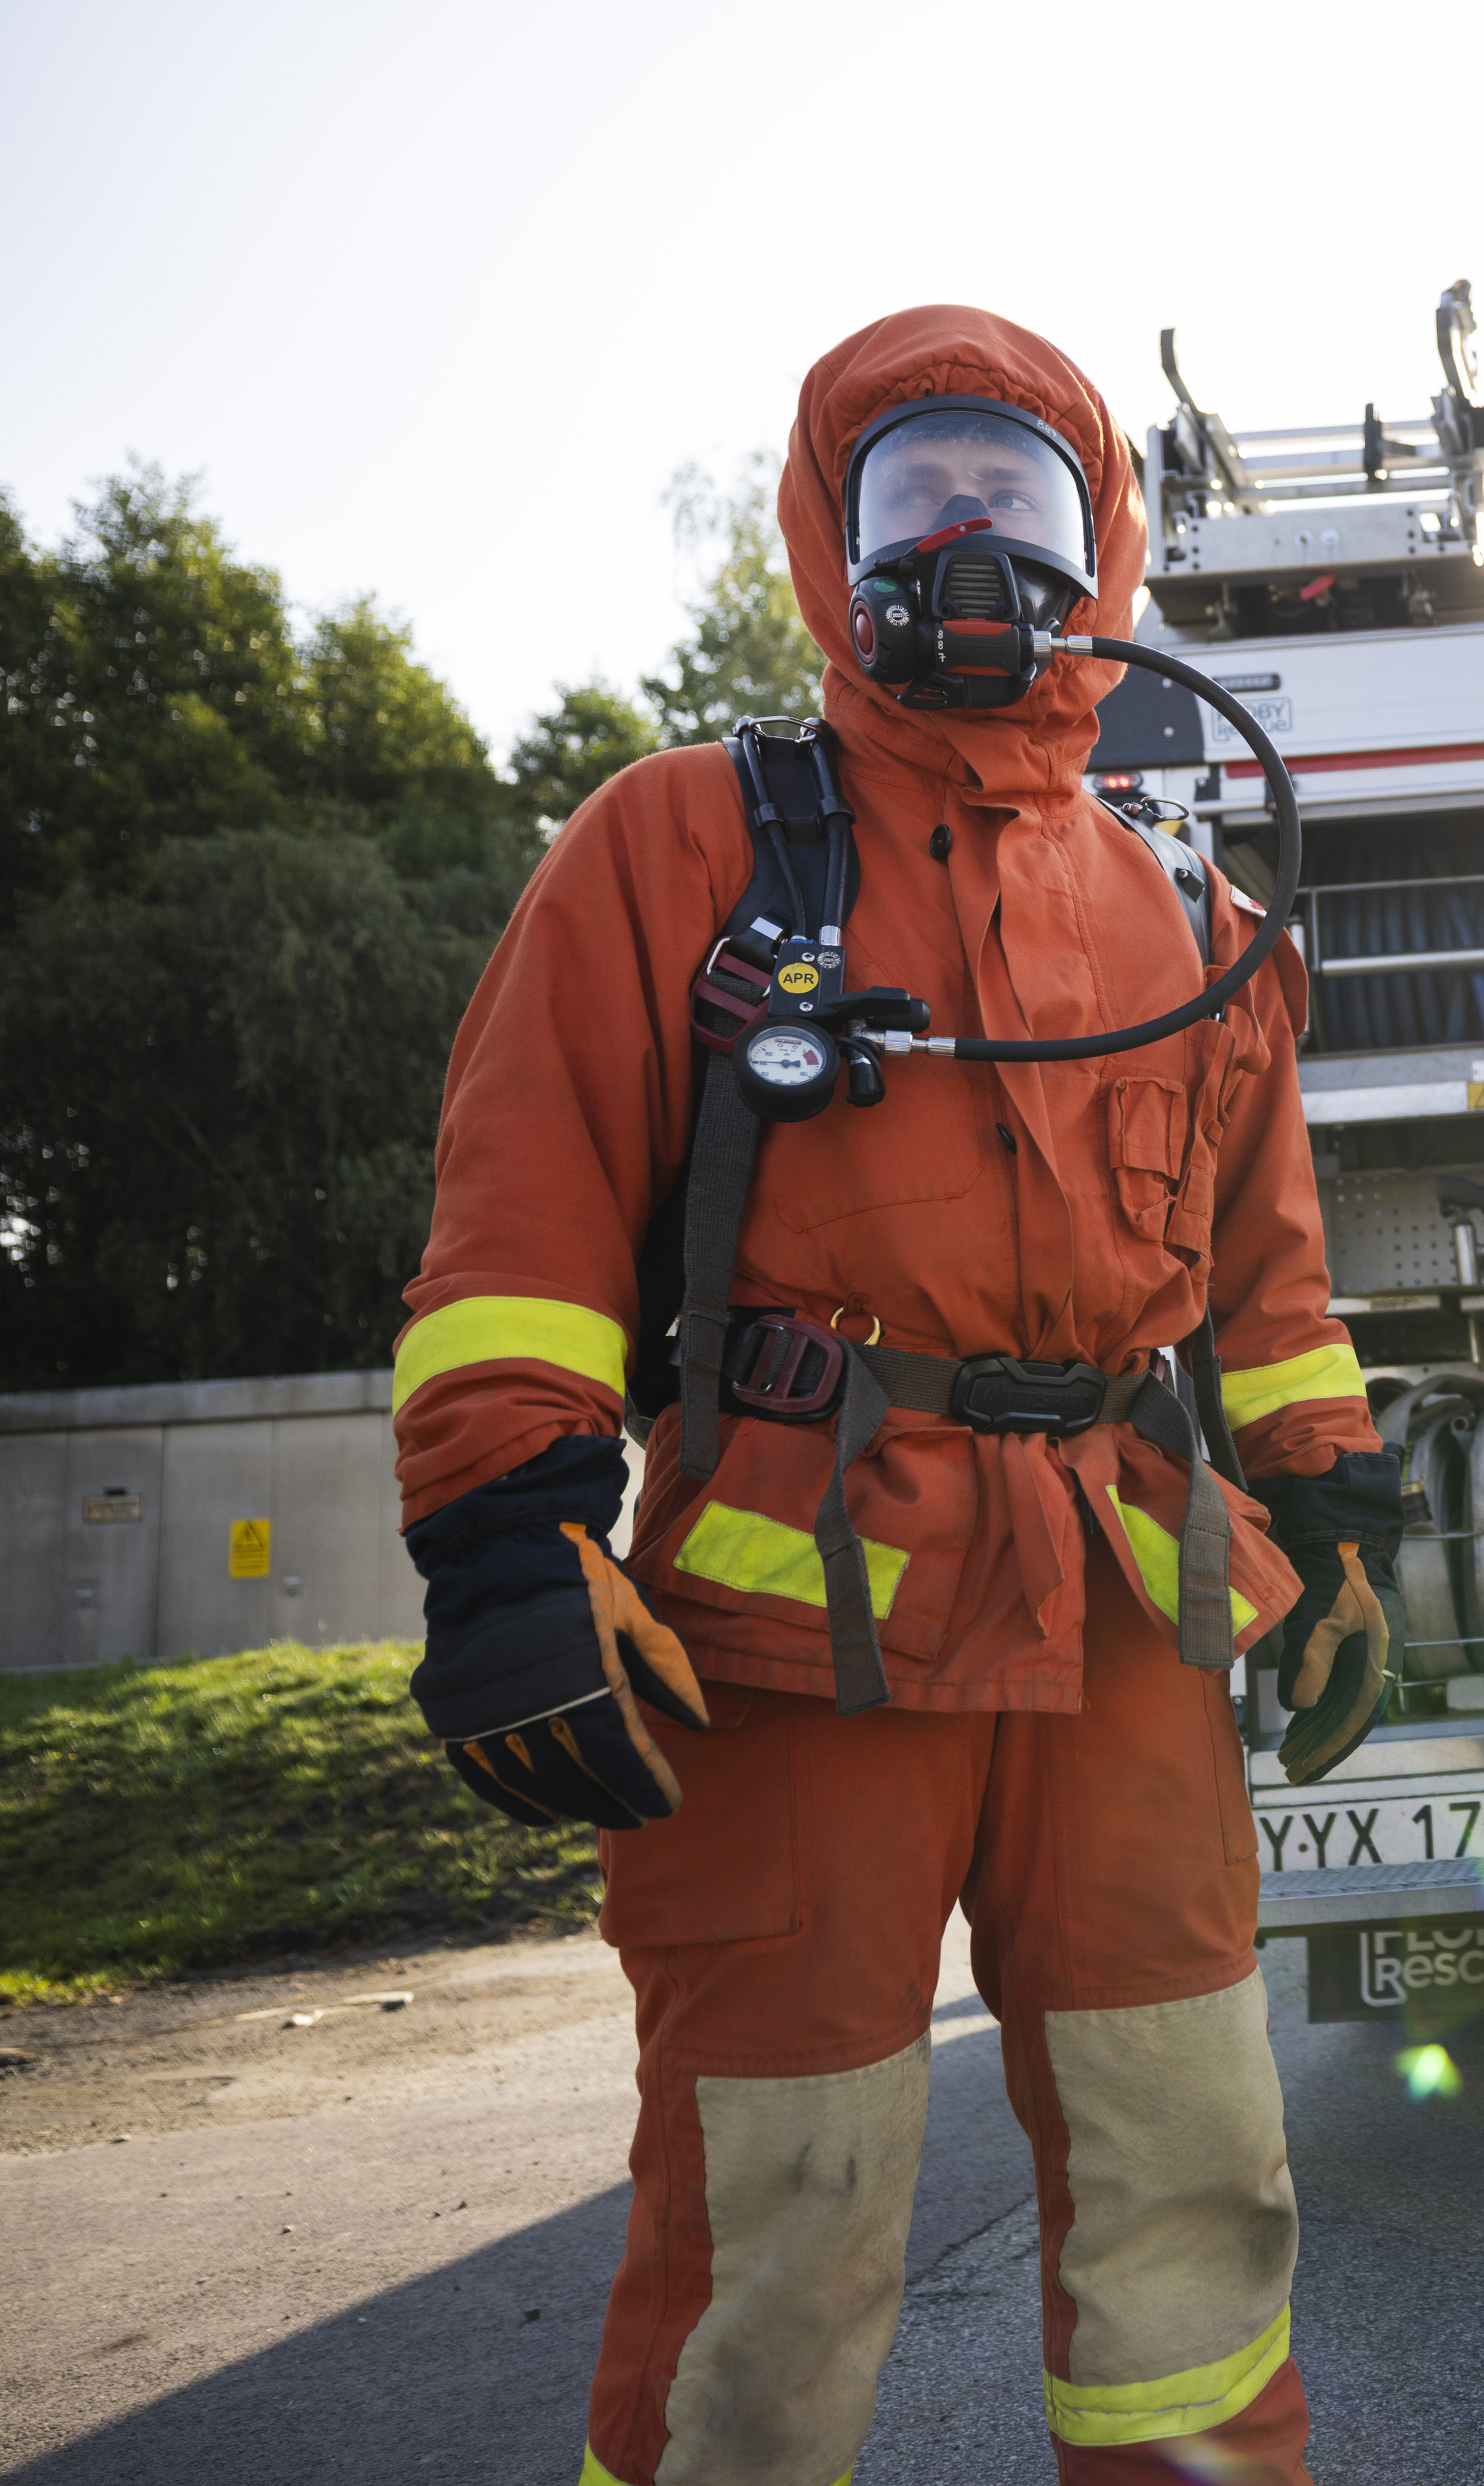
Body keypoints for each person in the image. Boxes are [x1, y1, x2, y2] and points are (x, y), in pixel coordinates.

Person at [389, 305, 1393, 2482]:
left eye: (1013, 496)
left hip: (1123, 1628)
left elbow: (1270, 1284)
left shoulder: (1192, 918)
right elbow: (523, 1232)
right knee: (781, 2228)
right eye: (916, 495)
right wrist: (505, 1541)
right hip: (785, 1631)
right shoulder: (674, 850)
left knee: (1194, 2191)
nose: (966, 539)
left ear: (1099, 550)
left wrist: (1332, 1520)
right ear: (831, 549)